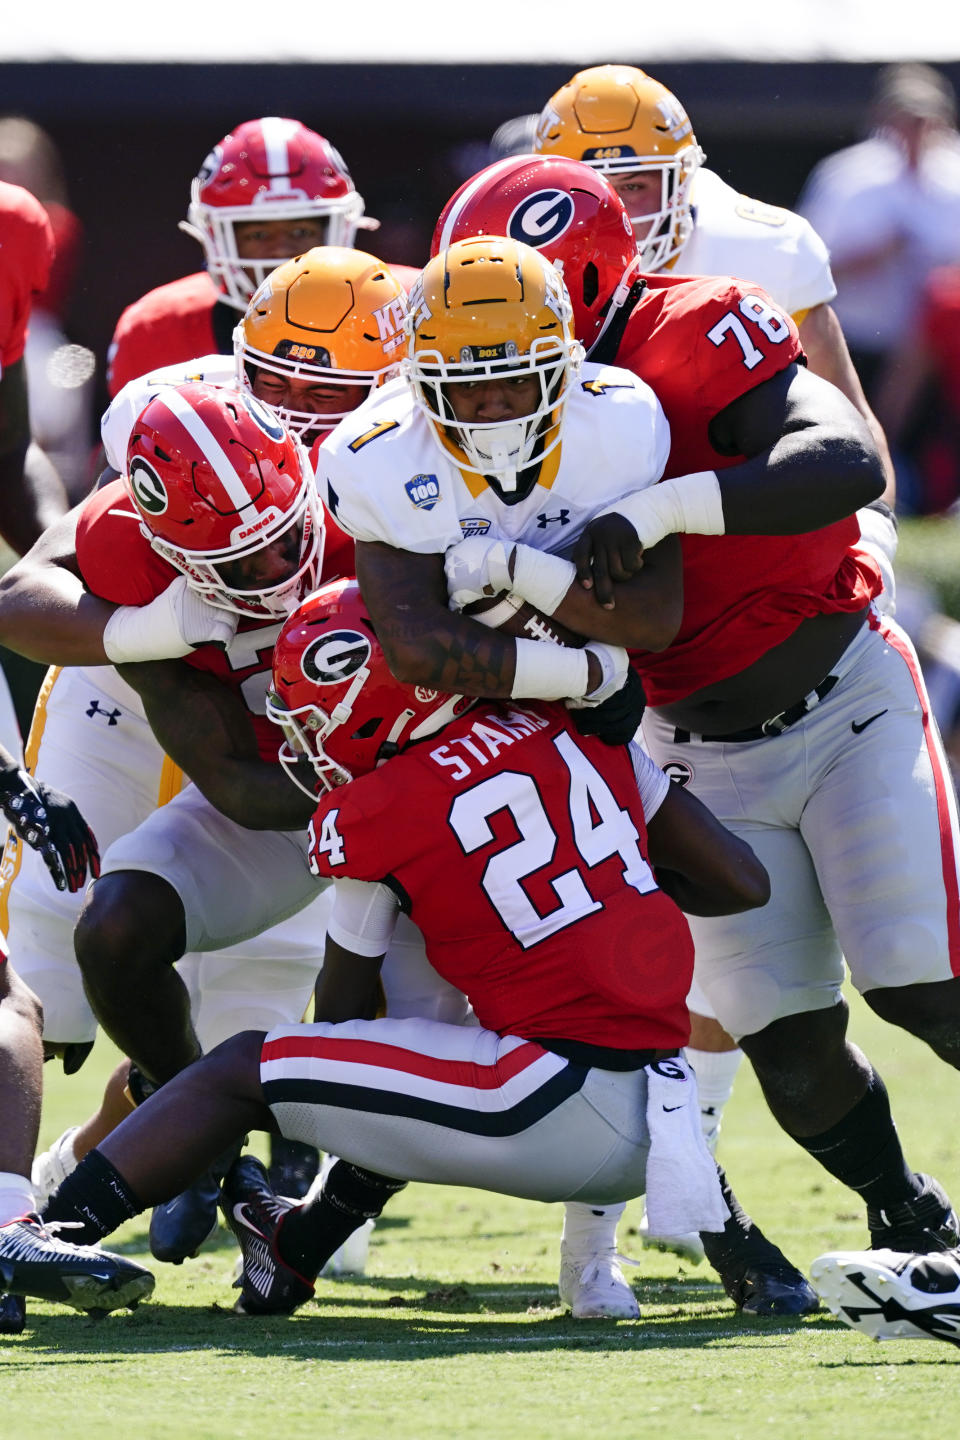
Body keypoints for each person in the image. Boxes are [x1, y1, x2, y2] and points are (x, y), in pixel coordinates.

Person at [438, 156, 960, 1321]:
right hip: (686, 741)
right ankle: (914, 1218)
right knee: (790, 1045)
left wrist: (663, 503)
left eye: (519, 316)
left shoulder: (699, 327)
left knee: (921, 986)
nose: (487, 367)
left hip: (843, 695)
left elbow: (847, 464)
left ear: (585, 287)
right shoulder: (466, 409)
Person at [41, 577, 771, 1318]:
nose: (309, 740)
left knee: (241, 1067)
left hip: (546, 1101)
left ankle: (51, 1228)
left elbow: (344, 1023)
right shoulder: (568, 725)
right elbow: (744, 881)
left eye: (317, 718)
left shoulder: (375, 809)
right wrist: (593, 894)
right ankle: (293, 1248)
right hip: (664, 1106)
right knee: (417, 1064)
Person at [0, 379, 464, 1270]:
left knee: (424, 1023)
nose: (273, 568)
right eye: (239, 564)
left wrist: (399, 789)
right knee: (114, 928)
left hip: (429, 792)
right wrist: (146, 630)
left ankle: (308, 1216)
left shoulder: (374, 499)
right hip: (280, 795)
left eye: (286, 537)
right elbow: (238, 786)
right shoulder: (135, 553)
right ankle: (199, 1137)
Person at [532, 63, 896, 500]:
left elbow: (851, 424)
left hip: (737, 502)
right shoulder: (527, 263)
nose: (614, 211)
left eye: (632, 187)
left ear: (682, 179)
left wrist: (875, 534)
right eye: (594, 188)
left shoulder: (765, 250)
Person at [107, 116, 395, 400]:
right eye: (258, 235)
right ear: (214, 238)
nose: (282, 250)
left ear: (341, 229)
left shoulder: (402, 309)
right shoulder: (154, 330)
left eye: (300, 230)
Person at [799, 63, 960, 404]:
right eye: (905, 117)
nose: (916, 129)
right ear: (884, 117)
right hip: (861, 348)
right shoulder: (847, 177)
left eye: (926, 117)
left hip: (940, 358)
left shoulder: (954, 173)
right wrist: (868, 258)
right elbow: (801, 269)